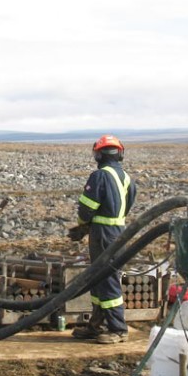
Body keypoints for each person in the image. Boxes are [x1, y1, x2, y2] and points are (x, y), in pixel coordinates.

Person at [69, 135, 136, 344]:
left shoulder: (99, 176)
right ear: (120, 154)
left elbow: (86, 207)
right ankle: (96, 325)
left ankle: (118, 329)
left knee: (107, 279)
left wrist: (83, 225)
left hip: (103, 234)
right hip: (118, 231)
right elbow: (127, 205)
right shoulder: (126, 178)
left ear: (98, 155)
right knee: (98, 278)